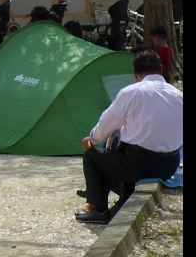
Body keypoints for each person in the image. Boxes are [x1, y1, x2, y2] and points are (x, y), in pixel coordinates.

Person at [75, 50, 183, 223]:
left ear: (136, 74)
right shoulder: (178, 95)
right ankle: (110, 191)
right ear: (160, 69)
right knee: (119, 142)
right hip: (170, 164)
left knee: (92, 156)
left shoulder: (131, 92)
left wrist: (92, 140)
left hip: (139, 165)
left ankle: (98, 207)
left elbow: (106, 123)